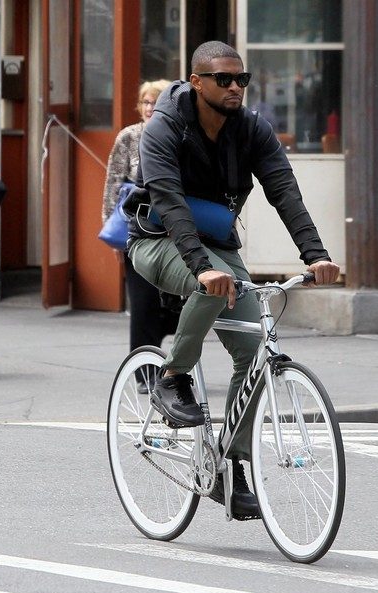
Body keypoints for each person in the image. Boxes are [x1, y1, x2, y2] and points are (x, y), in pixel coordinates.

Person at [126, 41, 340, 519]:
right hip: (157, 239)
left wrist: (316, 254)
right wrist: (202, 265)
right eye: (223, 79)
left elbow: (284, 190)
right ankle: (172, 377)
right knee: (212, 281)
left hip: (217, 247)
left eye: (241, 79)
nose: (235, 88)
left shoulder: (252, 129)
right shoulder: (164, 128)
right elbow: (168, 202)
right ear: (197, 82)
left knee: (253, 356)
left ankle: (232, 466)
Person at [102, 79, 179, 389]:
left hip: (173, 235)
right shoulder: (129, 137)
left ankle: (165, 349)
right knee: (143, 304)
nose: (149, 108)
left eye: (155, 102)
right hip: (137, 233)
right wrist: (111, 229)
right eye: (145, 102)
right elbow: (112, 185)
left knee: (176, 307)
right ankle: (144, 374)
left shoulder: (177, 136)